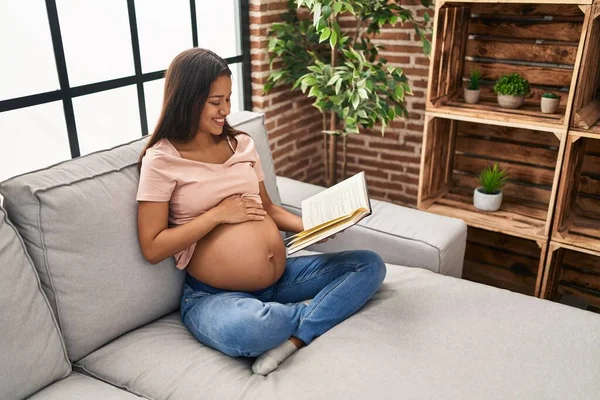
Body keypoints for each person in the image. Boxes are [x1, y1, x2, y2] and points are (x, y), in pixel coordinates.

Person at [136, 48, 386, 375]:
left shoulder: (240, 143)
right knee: (252, 329)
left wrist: (313, 226)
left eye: (228, 99)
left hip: (281, 279)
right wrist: (217, 214)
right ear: (188, 99)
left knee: (369, 265)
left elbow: (269, 209)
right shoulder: (162, 160)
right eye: (215, 102)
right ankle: (314, 312)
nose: (225, 110)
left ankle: (295, 337)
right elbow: (153, 247)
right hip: (214, 296)